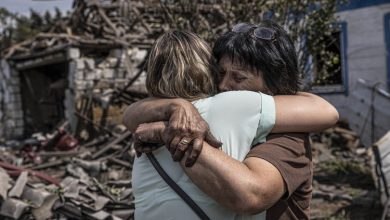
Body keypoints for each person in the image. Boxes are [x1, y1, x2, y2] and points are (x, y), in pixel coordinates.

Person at [124, 21, 339, 220]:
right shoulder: (207, 115)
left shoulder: (288, 138)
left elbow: (251, 195)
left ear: (275, 86)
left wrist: (167, 131)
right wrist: (176, 107)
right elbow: (130, 116)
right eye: (220, 74)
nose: (224, 86)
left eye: (239, 78)